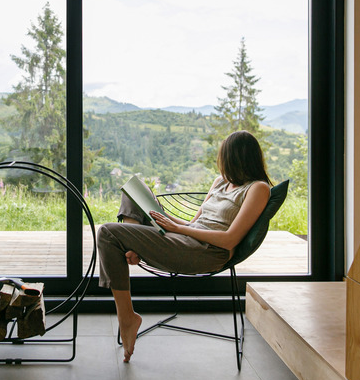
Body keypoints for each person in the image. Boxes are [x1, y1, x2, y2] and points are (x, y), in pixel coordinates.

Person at [97, 130, 272, 363]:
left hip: (205, 252)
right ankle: (135, 248)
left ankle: (127, 316)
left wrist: (177, 229)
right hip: (185, 238)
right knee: (135, 190)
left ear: (237, 158)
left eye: (224, 157)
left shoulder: (258, 189)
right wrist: (166, 220)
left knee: (107, 232)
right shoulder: (220, 182)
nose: (221, 164)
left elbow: (230, 239)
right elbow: (194, 223)